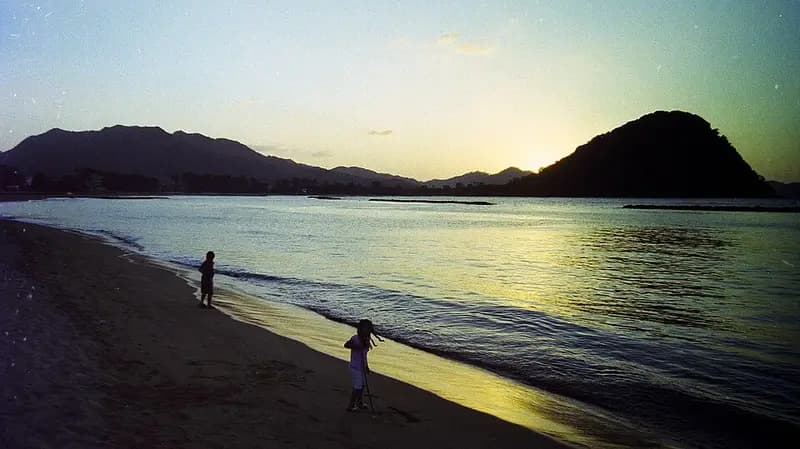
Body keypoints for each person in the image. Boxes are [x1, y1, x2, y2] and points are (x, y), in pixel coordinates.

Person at [344, 319, 374, 412]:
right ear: (360, 329)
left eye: (368, 328)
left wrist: (366, 366)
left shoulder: (367, 340)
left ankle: (359, 403)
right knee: (357, 387)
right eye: (365, 328)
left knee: (361, 386)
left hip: (361, 367)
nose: (367, 330)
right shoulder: (355, 338)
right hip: (355, 367)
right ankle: (350, 405)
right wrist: (356, 346)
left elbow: (364, 356)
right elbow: (346, 345)